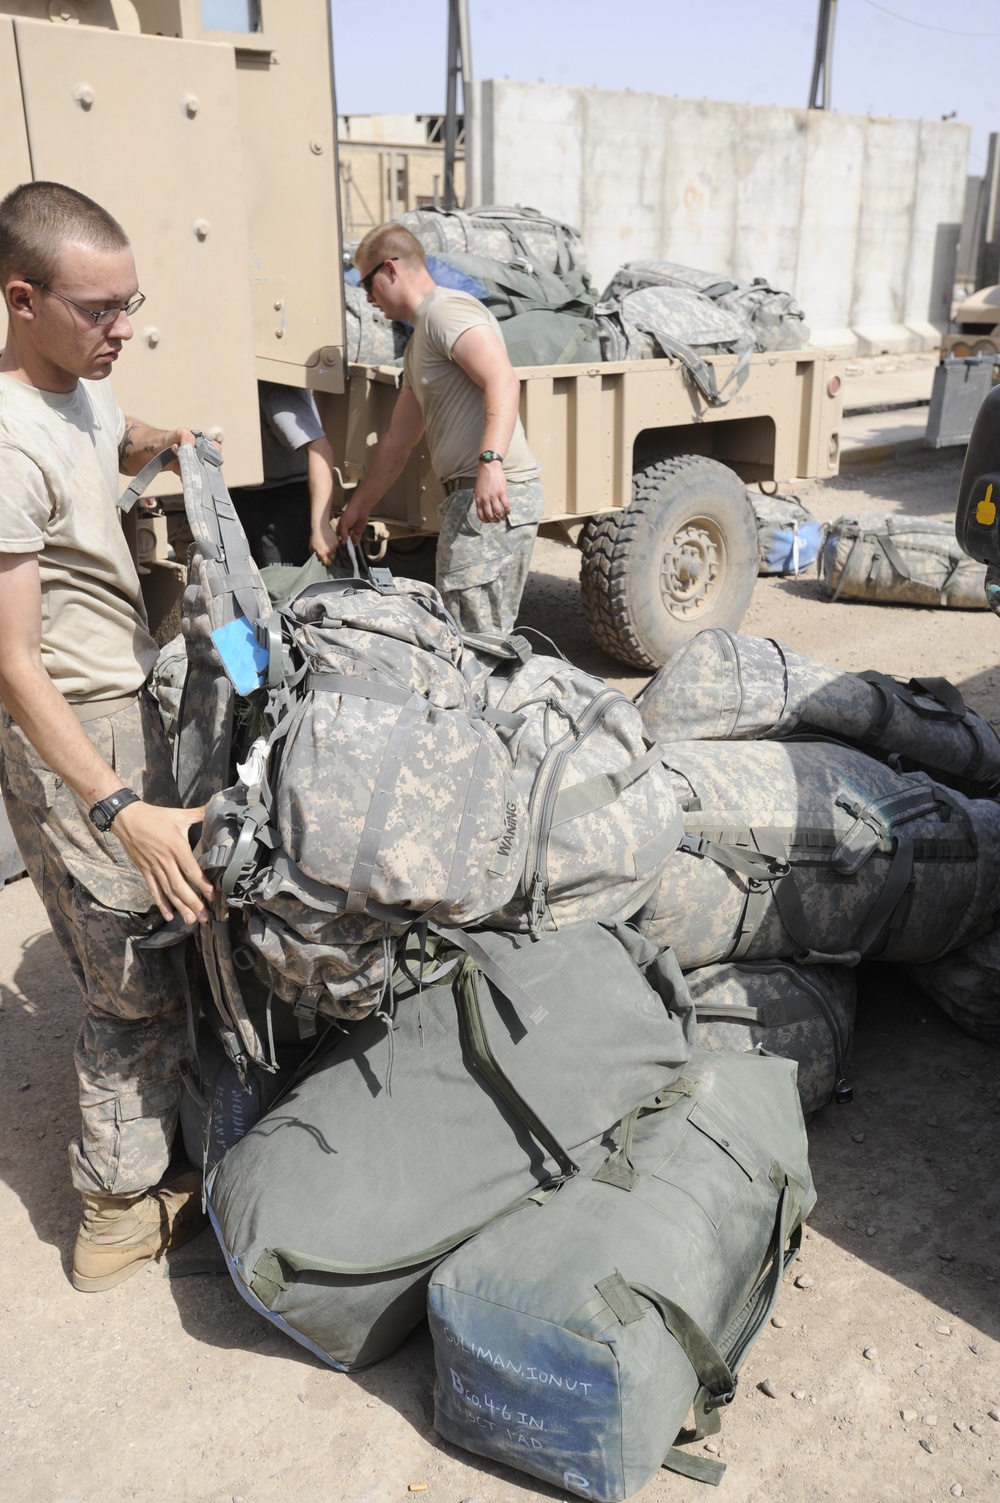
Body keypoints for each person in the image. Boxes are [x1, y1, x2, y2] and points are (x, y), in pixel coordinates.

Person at [0, 181, 214, 1291]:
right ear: (21, 298)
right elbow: (11, 663)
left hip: (125, 704)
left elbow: (104, 434)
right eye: (99, 311)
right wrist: (116, 807)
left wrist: (159, 439)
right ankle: (118, 1212)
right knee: (129, 974)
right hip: (69, 734)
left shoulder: (79, 384)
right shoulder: (3, 443)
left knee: (166, 936)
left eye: (132, 304)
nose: (121, 329)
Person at [337, 223, 543, 634]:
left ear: (391, 269)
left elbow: (502, 379)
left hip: (487, 497)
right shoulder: (419, 341)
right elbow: (399, 440)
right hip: (466, 500)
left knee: (479, 645)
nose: (366, 297)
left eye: (366, 282)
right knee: (469, 636)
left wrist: (490, 461)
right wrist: (359, 506)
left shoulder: (445, 311)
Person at [230, 380, 339, 568]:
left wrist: (321, 529)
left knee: (282, 588)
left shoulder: (275, 389)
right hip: (242, 491)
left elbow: (320, 450)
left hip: (284, 498)